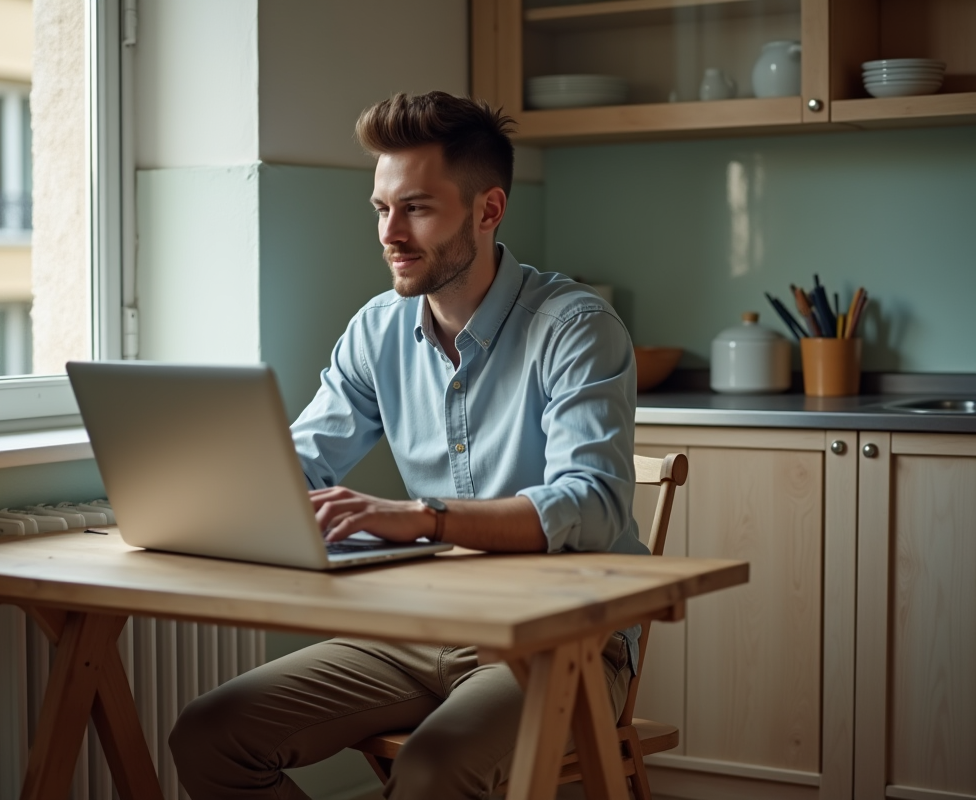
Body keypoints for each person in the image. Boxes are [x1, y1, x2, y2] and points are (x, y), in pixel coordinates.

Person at [170, 90, 645, 799]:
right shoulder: (377, 330)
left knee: (431, 767)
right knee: (210, 735)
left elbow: (593, 503)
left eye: (417, 208)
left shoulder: (574, 326)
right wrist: (214, 495)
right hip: (413, 629)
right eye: (382, 208)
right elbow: (300, 460)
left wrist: (425, 516)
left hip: (562, 644)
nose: (391, 232)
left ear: (488, 211)